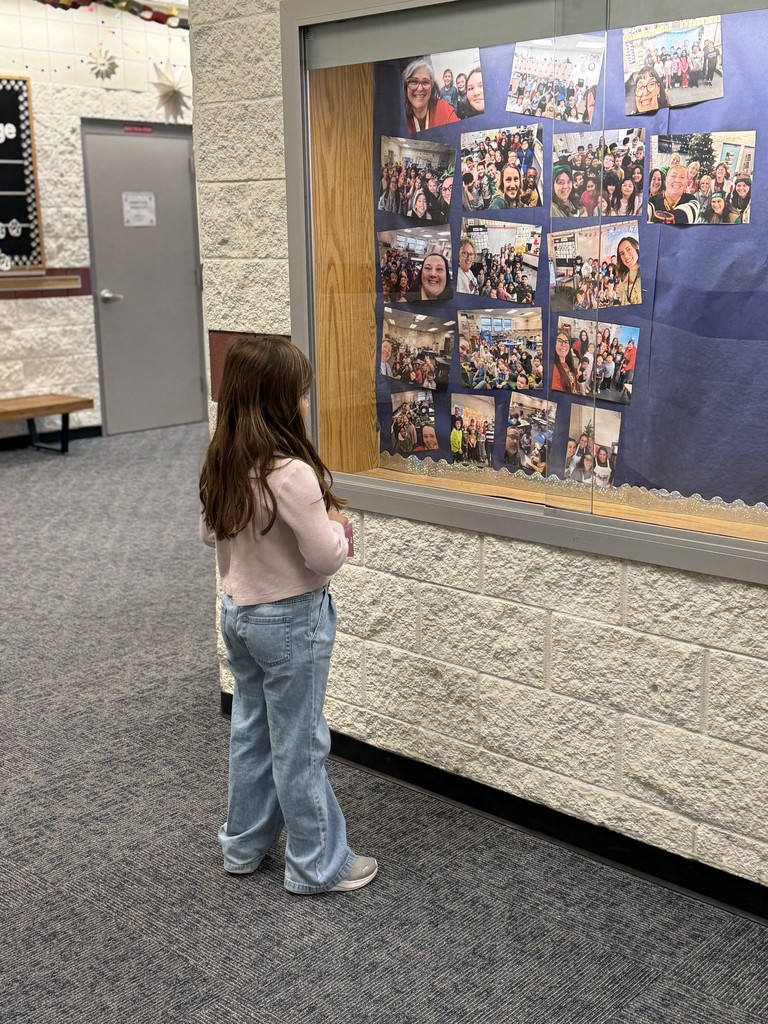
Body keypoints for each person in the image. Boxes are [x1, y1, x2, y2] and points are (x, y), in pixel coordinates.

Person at [199, 335, 377, 894]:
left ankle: (243, 845)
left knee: (251, 731)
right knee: (300, 743)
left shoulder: (223, 457)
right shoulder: (292, 472)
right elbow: (322, 556)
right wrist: (340, 536)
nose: (304, 403)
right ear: (279, 401)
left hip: (239, 614)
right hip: (291, 621)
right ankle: (318, 864)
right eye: (299, 394)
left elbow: (210, 533)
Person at [402, 57, 460, 134]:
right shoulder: (398, 116)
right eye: (413, 82)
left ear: (432, 86)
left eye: (425, 82)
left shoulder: (444, 108)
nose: (419, 89)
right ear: (406, 86)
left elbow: (461, 133)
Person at [615, 235, 641, 305]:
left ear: (636, 248)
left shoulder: (649, 272)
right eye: (622, 253)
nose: (626, 256)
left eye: (628, 249)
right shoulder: (623, 276)